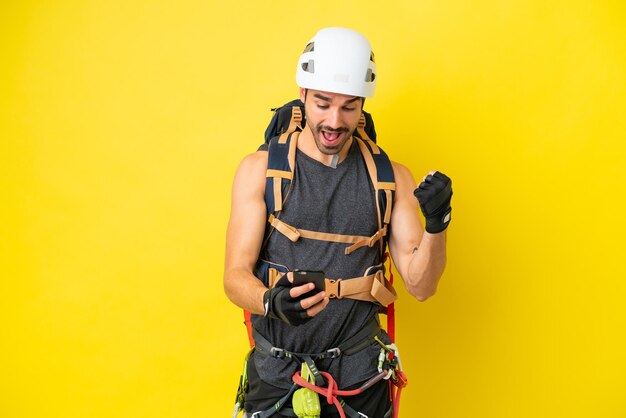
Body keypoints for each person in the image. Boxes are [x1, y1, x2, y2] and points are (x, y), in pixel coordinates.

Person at [224, 27, 452, 418]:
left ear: (362, 105)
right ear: (303, 96)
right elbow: (234, 276)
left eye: (348, 106)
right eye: (323, 103)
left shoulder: (391, 178)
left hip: (360, 379)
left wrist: (437, 224)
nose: (334, 120)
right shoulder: (260, 171)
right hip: (277, 377)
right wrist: (270, 301)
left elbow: (421, 284)